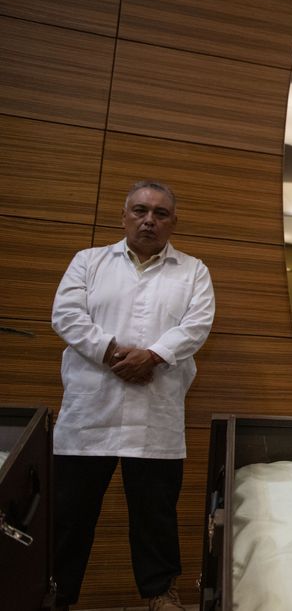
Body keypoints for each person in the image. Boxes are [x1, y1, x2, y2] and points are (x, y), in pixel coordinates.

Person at [50, 180, 216, 611]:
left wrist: (153, 356)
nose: (149, 220)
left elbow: (197, 326)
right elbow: (66, 315)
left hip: (154, 414)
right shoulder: (88, 262)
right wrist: (113, 353)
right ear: (124, 216)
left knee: (155, 515)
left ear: (173, 222)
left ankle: (161, 595)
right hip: (90, 412)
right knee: (69, 516)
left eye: (160, 213)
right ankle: (54, 596)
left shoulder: (193, 271)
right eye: (140, 211)